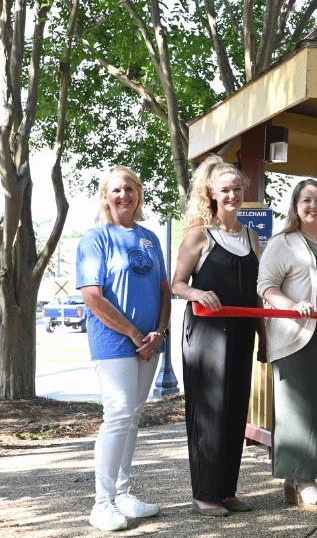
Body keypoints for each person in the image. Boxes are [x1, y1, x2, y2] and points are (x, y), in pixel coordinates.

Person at [76, 166, 168, 531]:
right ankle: (102, 503)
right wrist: (133, 333)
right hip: (114, 342)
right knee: (117, 413)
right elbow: (92, 297)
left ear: (138, 194)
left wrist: (158, 332)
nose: (124, 195)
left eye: (130, 188)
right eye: (116, 189)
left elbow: (164, 292)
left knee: (133, 416)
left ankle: (123, 494)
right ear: (104, 196)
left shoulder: (149, 238)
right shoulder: (95, 238)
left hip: (149, 343)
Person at [172, 155, 261, 516]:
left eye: (237, 188)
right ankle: (204, 493)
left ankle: (226, 489)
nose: (232, 195)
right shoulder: (199, 235)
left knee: (236, 408)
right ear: (211, 193)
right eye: (225, 189)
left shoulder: (253, 236)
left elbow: (256, 293)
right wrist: (197, 293)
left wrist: (266, 340)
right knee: (209, 412)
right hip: (207, 336)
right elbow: (177, 284)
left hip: (242, 334)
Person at [257, 179, 317, 509]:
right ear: (296, 205)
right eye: (307, 200)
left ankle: (295, 475)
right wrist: (291, 304)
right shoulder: (283, 242)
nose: (314, 206)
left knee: (315, 408)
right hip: (295, 336)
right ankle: (304, 480)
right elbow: (265, 286)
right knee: (296, 409)